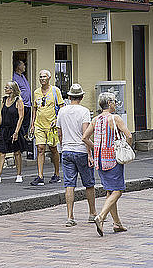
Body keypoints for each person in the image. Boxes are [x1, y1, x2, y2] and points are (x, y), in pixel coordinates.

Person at [82, 91, 132, 236]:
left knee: (110, 190)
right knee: (118, 190)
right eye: (114, 102)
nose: (115, 104)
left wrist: (96, 148)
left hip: (99, 160)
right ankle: (101, 216)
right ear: (109, 103)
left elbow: (85, 137)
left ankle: (117, 224)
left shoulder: (95, 119)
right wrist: (125, 148)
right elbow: (129, 135)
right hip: (113, 159)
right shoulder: (115, 118)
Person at [56, 83, 97, 226]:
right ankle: (92, 213)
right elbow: (85, 133)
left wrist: (62, 146)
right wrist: (90, 153)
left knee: (69, 184)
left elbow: (59, 132)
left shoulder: (62, 111)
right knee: (89, 184)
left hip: (67, 150)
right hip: (80, 150)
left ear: (69, 96)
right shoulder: (84, 111)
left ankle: (70, 216)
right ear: (82, 96)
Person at [29, 69, 64, 185]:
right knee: (40, 148)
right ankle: (40, 176)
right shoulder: (36, 92)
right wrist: (32, 124)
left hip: (51, 125)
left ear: (49, 78)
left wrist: (56, 119)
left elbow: (61, 107)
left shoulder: (55, 91)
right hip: (39, 124)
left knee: (53, 149)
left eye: (44, 77)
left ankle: (57, 173)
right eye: (40, 77)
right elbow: (34, 108)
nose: (42, 79)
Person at [0, 81, 26, 184]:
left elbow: (21, 117)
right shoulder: (4, 100)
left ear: (12, 89)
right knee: (1, 152)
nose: (5, 89)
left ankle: (19, 174)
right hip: (4, 129)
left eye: (7, 88)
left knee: (16, 152)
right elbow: (1, 115)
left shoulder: (18, 100)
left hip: (14, 129)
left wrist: (16, 132)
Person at [12, 59, 33, 156]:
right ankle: (21, 145)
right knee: (22, 125)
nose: (24, 66)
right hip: (22, 105)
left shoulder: (23, 76)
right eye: (23, 65)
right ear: (18, 67)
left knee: (26, 125)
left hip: (28, 104)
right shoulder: (15, 77)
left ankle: (24, 144)